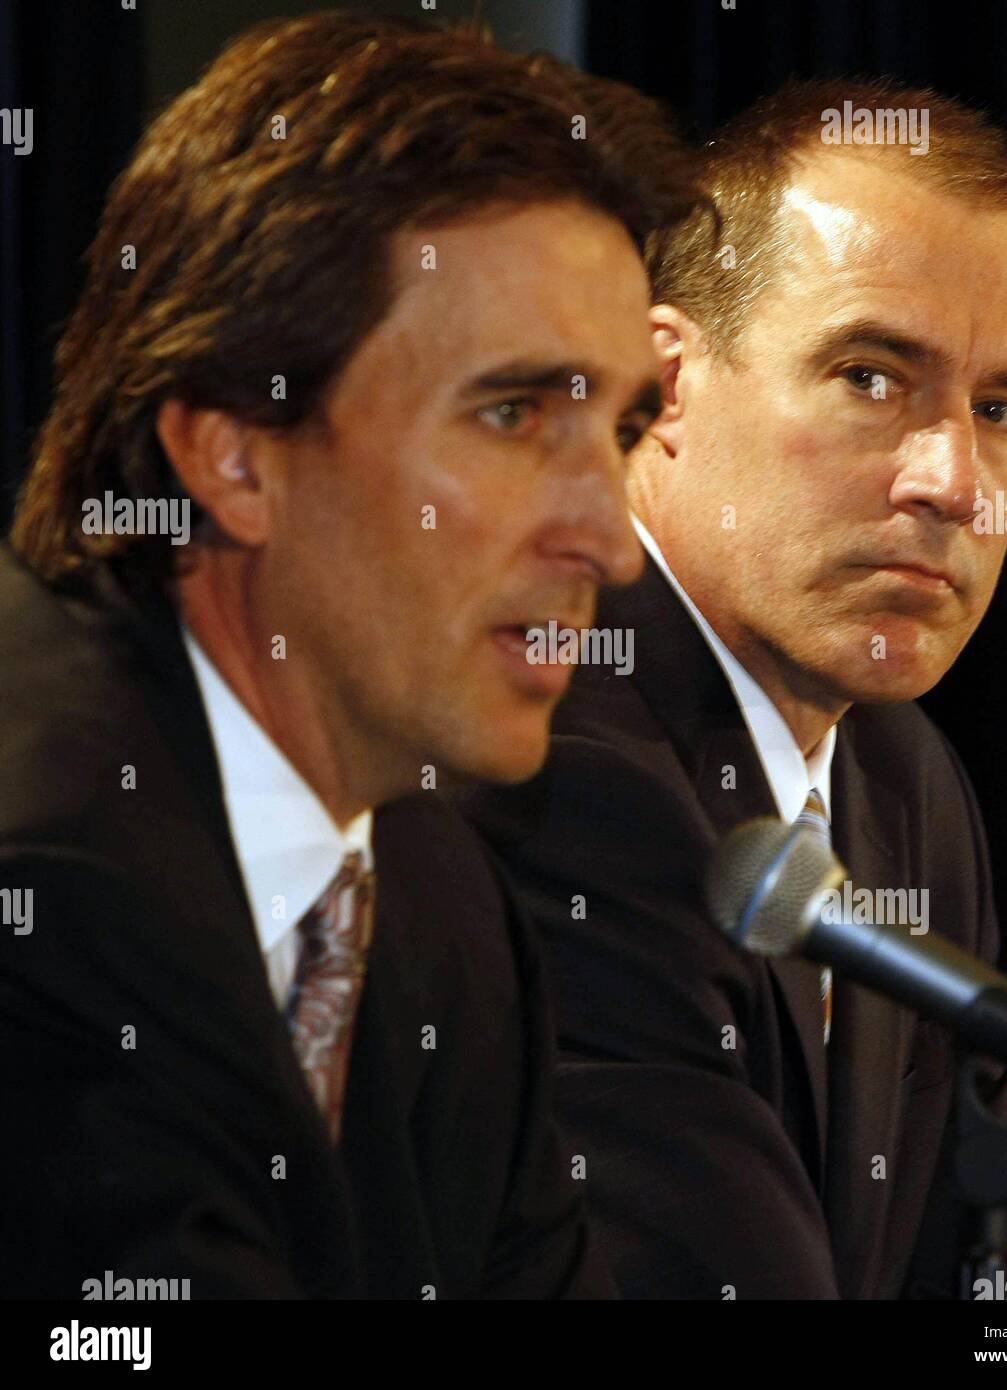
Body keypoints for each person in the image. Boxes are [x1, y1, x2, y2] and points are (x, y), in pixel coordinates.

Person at [0, 12, 704, 1298]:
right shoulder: (49, 873)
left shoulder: (439, 901)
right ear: (234, 453)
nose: (611, 537)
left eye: (621, 427)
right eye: (511, 414)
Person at [460, 77, 1007, 1298]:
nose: (951, 480)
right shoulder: (555, 750)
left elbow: (995, 1264)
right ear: (663, 382)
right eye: (869, 377)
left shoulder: (908, 783)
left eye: (1001, 407)